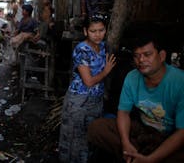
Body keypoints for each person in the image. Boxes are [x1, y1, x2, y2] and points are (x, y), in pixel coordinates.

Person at [87, 30, 184, 163]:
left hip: (169, 136)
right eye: (137, 56)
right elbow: (123, 112)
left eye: (147, 54)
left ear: (161, 56)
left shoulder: (180, 81)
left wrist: (151, 159)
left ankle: (144, 156)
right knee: (96, 128)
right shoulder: (132, 77)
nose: (141, 60)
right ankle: (133, 154)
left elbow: (182, 132)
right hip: (144, 131)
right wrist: (126, 143)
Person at [58, 14, 116, 163]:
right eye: (93, 31)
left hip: (96, 100)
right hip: (79, 101)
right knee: (74, 141)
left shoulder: (104, 47)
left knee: (90, 138)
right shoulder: (81, 49)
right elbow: (89, 81)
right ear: (85, 31)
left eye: (101, 30)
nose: (97, 35)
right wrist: (106, 71)